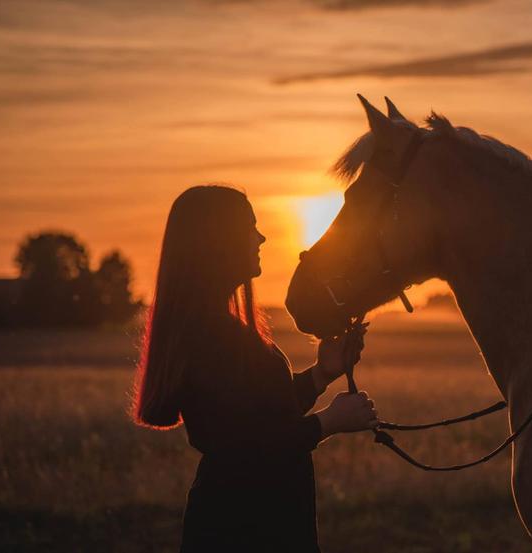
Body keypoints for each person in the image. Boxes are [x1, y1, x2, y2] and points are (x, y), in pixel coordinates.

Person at [131, 185, 377, 552]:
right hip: (247, 527)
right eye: (250, 226)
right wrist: (329, 423)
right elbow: (246, 448)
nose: (261, 237)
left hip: (248, 519)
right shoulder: (210, 334)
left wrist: (322, 373)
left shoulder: (212, 328)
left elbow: (259, 415)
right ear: (219, 241)